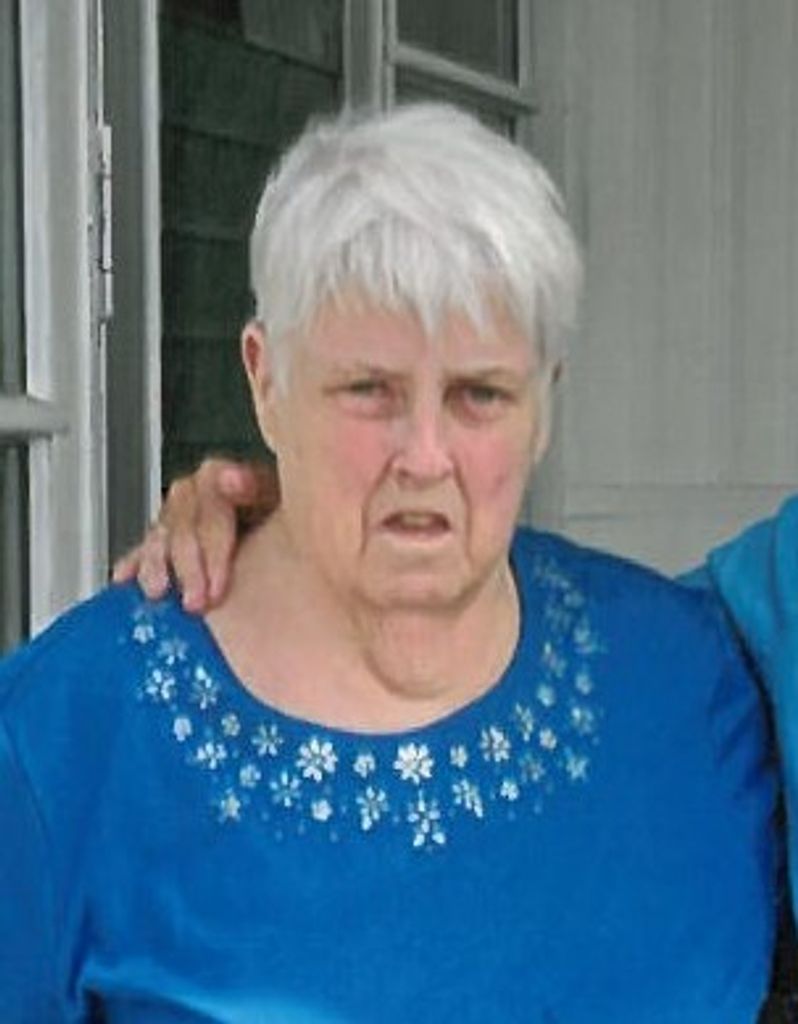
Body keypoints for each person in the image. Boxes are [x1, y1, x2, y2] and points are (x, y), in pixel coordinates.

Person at [0, 103, 783, 1022]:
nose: (424, 455)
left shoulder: (693, 683)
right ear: (264, 380)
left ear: (546, 401)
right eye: (368, 390)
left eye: (480, 394)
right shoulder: (65, 738)